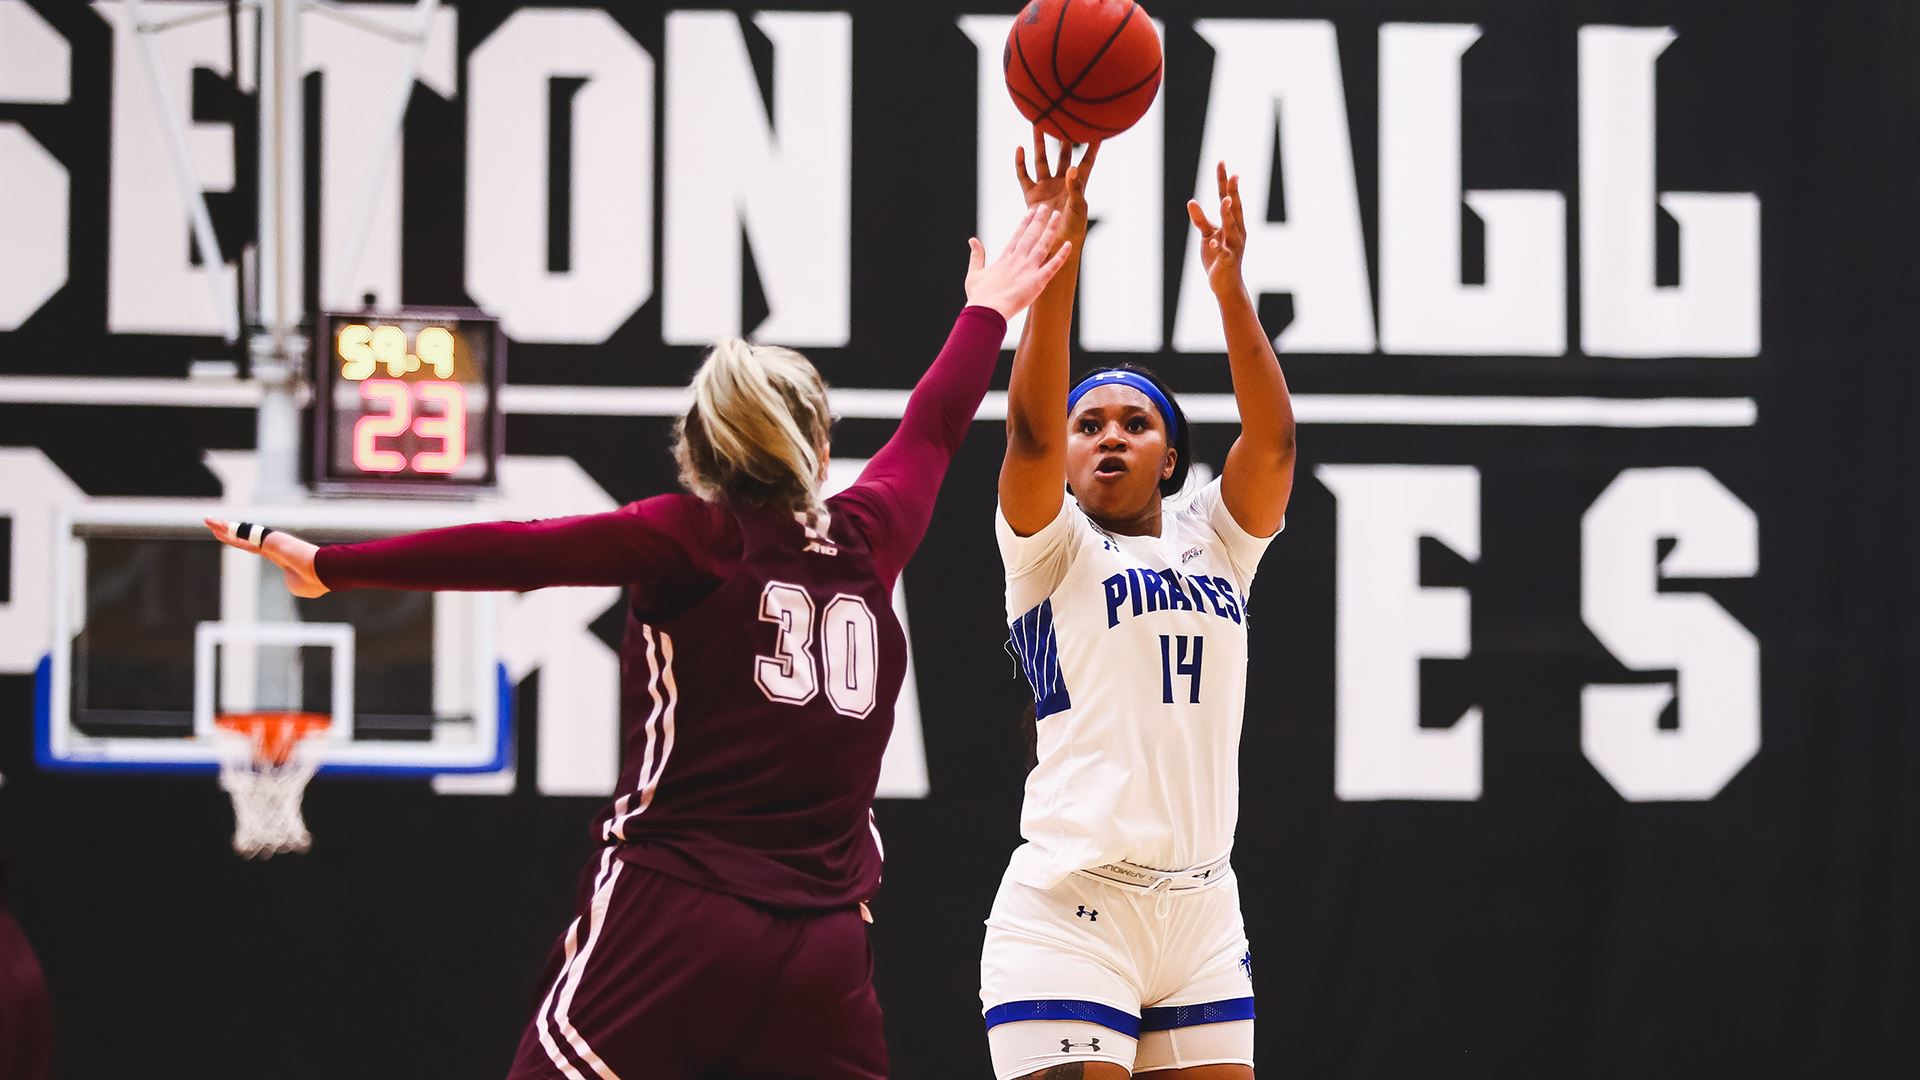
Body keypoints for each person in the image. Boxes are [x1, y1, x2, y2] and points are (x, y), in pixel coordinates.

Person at [208, 205, 1073, 1080]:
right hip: (823, 946)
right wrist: (987, 310)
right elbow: (931, 426)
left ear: (698, 448)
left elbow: (521, 552)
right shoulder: (868, 534)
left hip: (676, 911)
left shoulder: (690, 537)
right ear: (817, 444)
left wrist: (332, 564)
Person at [980, 132, 1296, 1080]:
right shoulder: (1050, 545)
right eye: (1090, 425)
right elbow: (1029, 430)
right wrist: (1059, 255)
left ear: (1171, 456)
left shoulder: (1217, 537)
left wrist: (1232, 293)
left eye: (1135, 422)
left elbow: (1274, 445)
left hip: (1201, 909)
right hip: (1074, 904)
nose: (1107, 436)